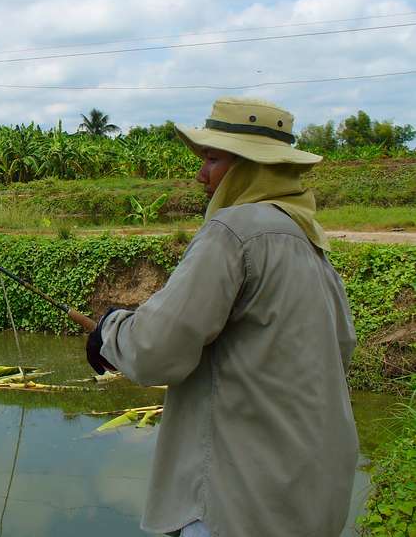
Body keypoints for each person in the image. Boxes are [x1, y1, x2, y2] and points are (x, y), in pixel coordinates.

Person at [86, 97, 358, 537]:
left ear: (252, 165)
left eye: (212, 159)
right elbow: (341, 349)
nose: (202, 175)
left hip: (236, 506)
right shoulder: (310, 243)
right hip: (309, 501)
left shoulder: (234, 231)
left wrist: (109, 332)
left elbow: (156, 350)